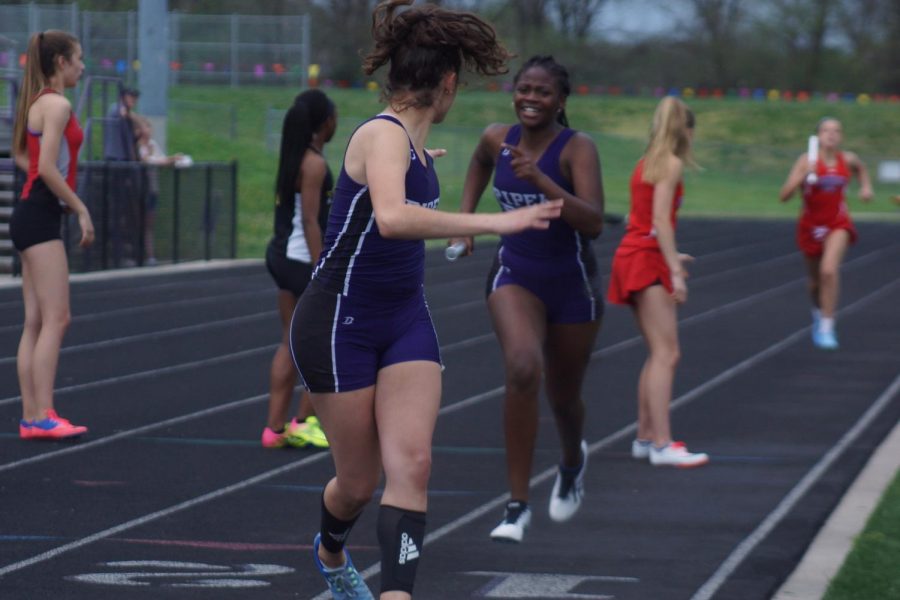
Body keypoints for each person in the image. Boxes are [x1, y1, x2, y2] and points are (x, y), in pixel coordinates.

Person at [289, 1, 561, 598]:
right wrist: (494, 224)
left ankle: (397, 593)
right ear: (447, 83)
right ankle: (332, 553)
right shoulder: (381, 135)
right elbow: (389, 217)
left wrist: (420, 171)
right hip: (340, 322)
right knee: (358, 484)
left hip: (405, 319)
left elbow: (395, 193)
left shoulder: (411, 148)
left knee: (413, 466)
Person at [451, 55, 605, 544]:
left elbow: (594, 222)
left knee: (563, 398)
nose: (530, 99)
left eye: (542, 92)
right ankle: (516, 505)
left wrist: (540, 180)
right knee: (521, 367)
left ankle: (573, 458)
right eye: (524, 89)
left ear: (561, 101)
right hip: (516, 273)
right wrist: (468, 220)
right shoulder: (498, 138)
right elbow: (478, 163)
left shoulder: (576, 149)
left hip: (571, 284)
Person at [607, 96, 708, 469]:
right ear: (686, 130)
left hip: (635, 254)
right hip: (645, 260)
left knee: (657, 352)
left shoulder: (645, 162)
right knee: (668, 353)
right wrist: (676, 273)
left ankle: (647, 438)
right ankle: (663, 444)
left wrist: (670, 257)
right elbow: (662, 221)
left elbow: (646, 220)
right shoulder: (672, 163)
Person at [10, 30, 94, 439]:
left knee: (35, 321)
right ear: (61, 61)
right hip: (40, 217)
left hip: (31, 215)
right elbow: (44, 167)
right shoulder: (56, 104)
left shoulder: (40, 102)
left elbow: (24, 157)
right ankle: (42, 413)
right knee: (57, 318)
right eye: (78, 58)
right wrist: (79, 208)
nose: (82, 66)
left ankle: (32, 416)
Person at [262, 90, 336, 450]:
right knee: (317, 343)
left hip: (281, 256)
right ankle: (303, 422)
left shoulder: (295, 155)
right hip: (300, 260)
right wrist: (323, 270)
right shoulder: (314, 164)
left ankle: (273, 429)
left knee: (290, 341)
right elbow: (309, 220)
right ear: (325, 123)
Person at [779, 117, 873, 350]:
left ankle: (827, 326)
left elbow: (861, 169)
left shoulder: (847, 159)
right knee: (814, 284)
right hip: (810, 226)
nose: (831, 134)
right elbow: (784, 196)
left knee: (829, 271)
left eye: (836, 131)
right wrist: (803, 175)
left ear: (841, 136)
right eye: (826, 130)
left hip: (837, 223)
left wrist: (866, 186)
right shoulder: (805, 161)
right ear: (818, 136)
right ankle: (818, 313)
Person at [133, 114, 182, 265]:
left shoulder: (152, 144)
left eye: (149, 127)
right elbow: (149, 160)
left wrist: (172, 160)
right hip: (141, 189)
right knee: (138, 222)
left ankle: (149, 255)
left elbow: (161, 158)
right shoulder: (137, 146)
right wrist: (169, 160)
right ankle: (139, 254)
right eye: (144, 127)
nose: (148, 130)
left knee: (149, 224)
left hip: (152, 190)